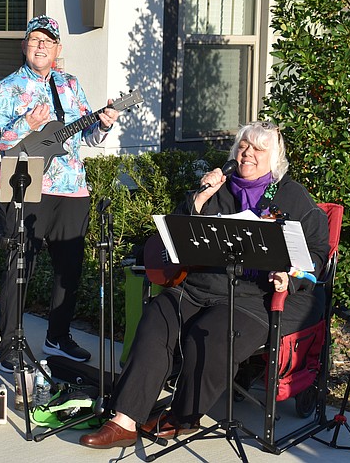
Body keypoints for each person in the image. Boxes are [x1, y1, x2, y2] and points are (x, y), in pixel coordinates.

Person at [79, 120, 329, 448]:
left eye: (258, 148)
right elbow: (176, 239)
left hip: (252, 297)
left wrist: (290, 276)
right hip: (199, 284)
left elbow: (317, 252)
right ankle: (124, 420)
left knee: (208, 336)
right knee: (157, 321)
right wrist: (198, 200)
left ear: (275, 157)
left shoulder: (291, 195)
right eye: (243, 146)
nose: (248, 153)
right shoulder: (218, 187)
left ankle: (184, 417)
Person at [0, 14, 121, 371]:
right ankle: (9, 343)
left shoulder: (69, 84)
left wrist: (102, 125)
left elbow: (86, 134)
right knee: (19, 265)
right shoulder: (8, 87)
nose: (41, 46)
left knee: (68, 269)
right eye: (35, 39)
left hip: (71, 187)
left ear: (57, 49)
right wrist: (26, 124)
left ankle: (58, 337)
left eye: (48, 41)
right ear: (25, 46)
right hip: (25, 181)